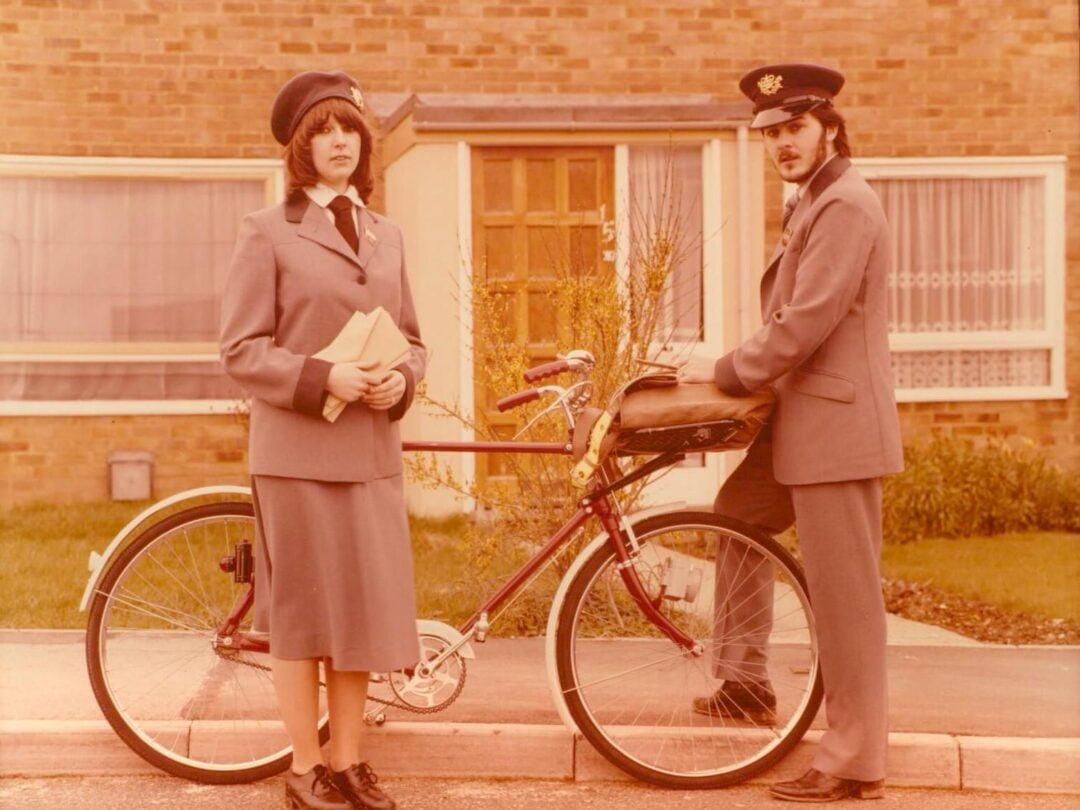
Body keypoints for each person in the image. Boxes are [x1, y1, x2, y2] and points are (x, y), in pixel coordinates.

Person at [677, 63, 903, 803]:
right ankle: (744, 680)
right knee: (737, 519)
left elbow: (804, 323)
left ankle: (854, 761)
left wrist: (722, 370)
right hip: (801, 423)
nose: (781, 142)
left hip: (835, 429)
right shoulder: (813, 201)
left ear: (828, 125)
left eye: (793, 128)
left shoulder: (845, 204)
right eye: (770, 133)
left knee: (845, 600)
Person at [220, 69, 427, 810]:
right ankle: (304, 768)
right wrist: (323, 379)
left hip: (369, 453)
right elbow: (241, 350)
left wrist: (400, 383)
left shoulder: (387, 234)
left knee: (363, 614)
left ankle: (348, 761)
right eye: (323, 131)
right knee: (306, 616)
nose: (340, 141)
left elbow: (411, 341)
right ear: (301, 151)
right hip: (297, 455)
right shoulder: (267, 232)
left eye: (350, 129)